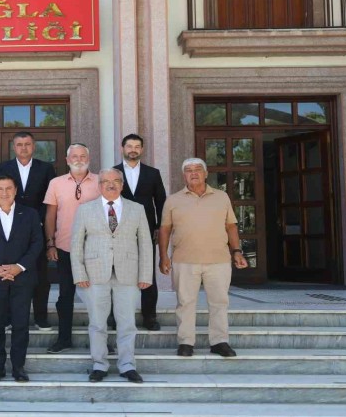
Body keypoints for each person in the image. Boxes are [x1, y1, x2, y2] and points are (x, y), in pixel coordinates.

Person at [158, 158, 249, 358]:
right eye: (188, 170)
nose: (193, 173)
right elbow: (164, 230)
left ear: (206, 173)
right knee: (185, 303)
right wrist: (163, 256)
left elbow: (231, 226)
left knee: (219, 302)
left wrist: (236, 251)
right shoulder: (173, 200)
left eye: (198, 169)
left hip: (218, 260)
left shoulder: (221, 197)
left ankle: (219, 341)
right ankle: (185, 342)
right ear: (184, 175)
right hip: (184, 260)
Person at [70, 168, 153, 383]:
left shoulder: (137, 209)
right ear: (99, 186)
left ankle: (127, 365)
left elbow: (145, 244)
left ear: (122, 185)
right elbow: (76, 244)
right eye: (106, 181)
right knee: (98, 323)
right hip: (95, 274)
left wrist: (145, 274)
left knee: (127, 323)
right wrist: (79, 273)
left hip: (129, 274)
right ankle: (99, 364)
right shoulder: (85, 209)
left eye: (116, 180)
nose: (111, 184)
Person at [0, 174, 44, 383]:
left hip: (22, 278)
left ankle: (18, 367)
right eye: (0, 189)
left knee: (21, 324)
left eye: (8, 188)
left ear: (15, 191)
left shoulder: (29, 214)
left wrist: (19, 267)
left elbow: (37, 243)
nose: (4, 193)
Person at [0, 131, 56, 330]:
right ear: (14, 147)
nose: (23, 148)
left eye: (27, 144)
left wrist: (41, 225)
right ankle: (8, 318)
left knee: (40, 277)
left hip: (37, 230)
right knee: (9, 274)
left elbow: (50, 200)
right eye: (19, 144)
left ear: (34, 146)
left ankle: (40, 317)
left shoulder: (46, 168)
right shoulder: (2, 168)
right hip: (9, 230)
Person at [43, 143, 100, 354]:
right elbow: (50, 215)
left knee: (99, 296)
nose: (78, 159)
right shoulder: (56, 183)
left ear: (89, 158)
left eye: (82, 155)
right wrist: (50, 243)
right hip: (65, 247)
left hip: (95, 249)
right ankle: (64, 339)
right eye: (74, 156)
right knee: (65, 296)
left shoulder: (101, 181)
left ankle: (102, 341)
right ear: (67, 160)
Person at [114, 134, 167, 331]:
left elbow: (161, 202)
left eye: (137, 146)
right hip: (119, 231)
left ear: (142, 150)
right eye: (129, 146)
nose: (133, 150)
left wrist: (159, 227)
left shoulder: (152, 173)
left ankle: (149, 317)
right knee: (117, 274)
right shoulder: (114, 172)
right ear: (122, 148)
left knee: (147, 273)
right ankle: (116, 317)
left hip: (147, 231)